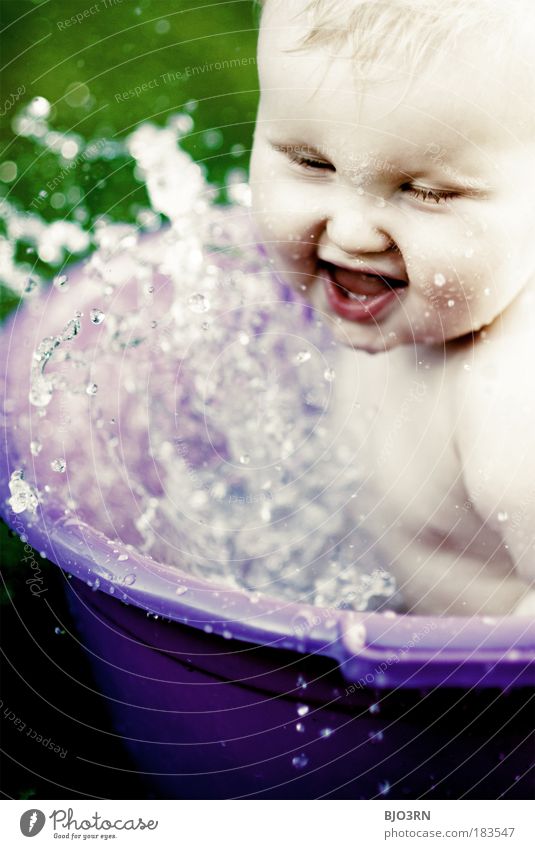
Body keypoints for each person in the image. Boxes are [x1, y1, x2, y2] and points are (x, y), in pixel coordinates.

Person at [249, 0, 535, 615]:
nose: (352, 231)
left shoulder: (514, 403)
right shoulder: (389, 292)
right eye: (309, 162)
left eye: (427, 192)